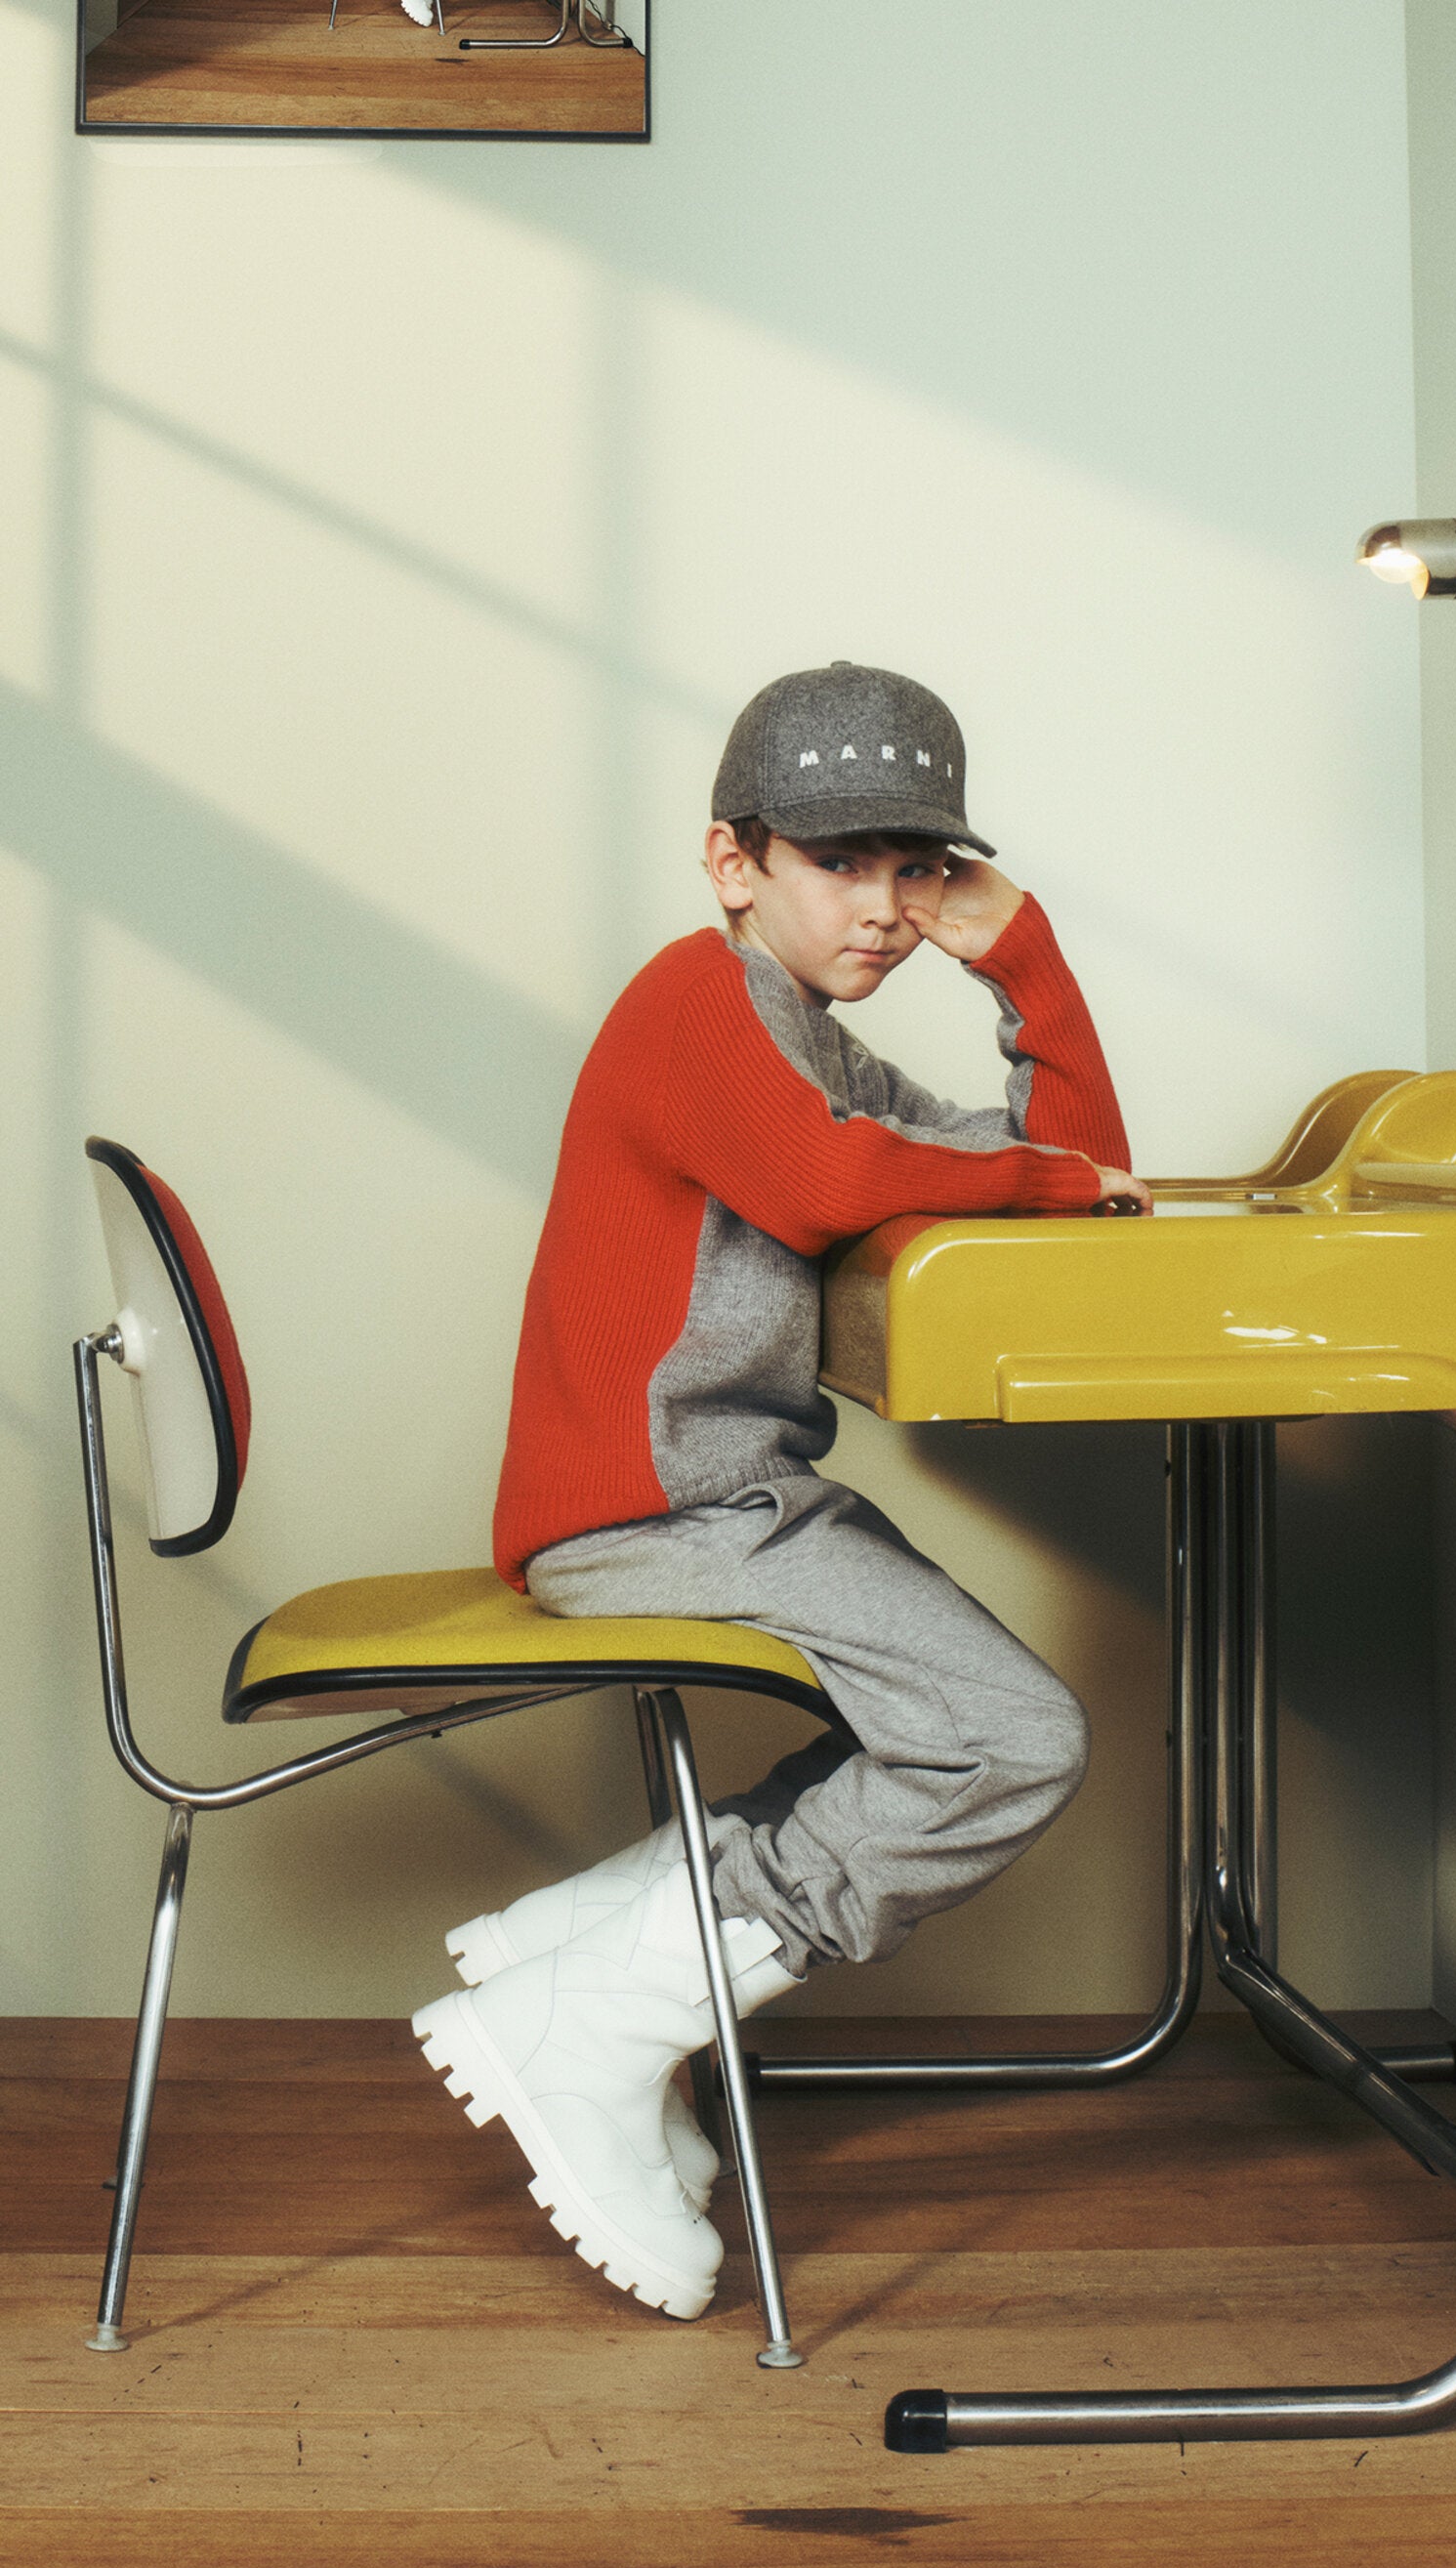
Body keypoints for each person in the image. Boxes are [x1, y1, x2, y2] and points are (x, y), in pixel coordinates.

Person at [413, 661, 1148, 2320]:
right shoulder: (697, 1001)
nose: (886, 909)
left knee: (948, 1721)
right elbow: (847, 1180)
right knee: (1014, 1738)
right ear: (733, 863)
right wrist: (1044, 1174)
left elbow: (1079, 1177)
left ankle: (595, 1950)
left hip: (730, 1500)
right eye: (839, 864)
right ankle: (601, 2012)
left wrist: (1022, 955)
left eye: (916, 870)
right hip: (655, 1513)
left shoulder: (811, 1046)